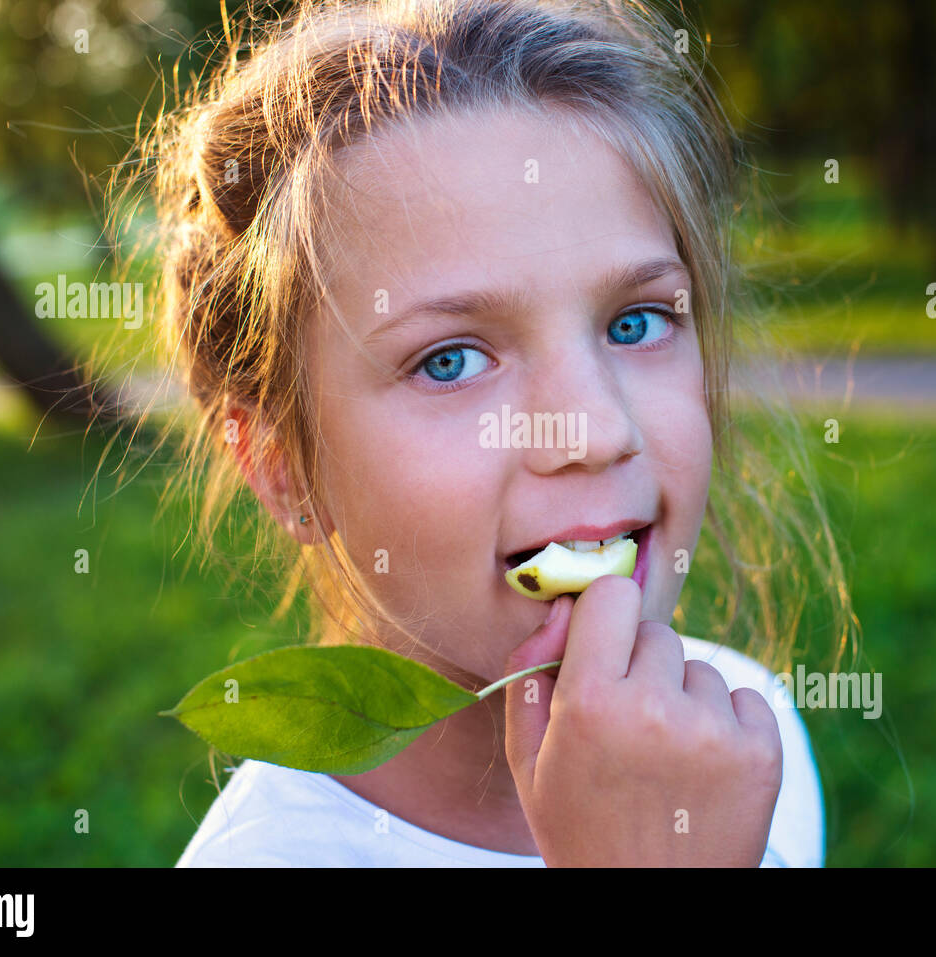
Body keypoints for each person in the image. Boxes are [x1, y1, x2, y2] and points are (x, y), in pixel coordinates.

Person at [108, 0, 852, 866]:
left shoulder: (741, 738)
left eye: (635, 322)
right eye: (452, 361)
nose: (597, 430)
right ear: (280, 466)